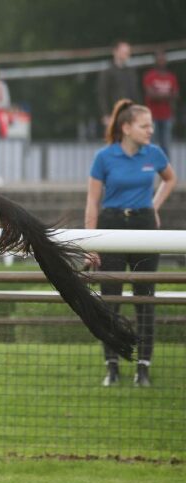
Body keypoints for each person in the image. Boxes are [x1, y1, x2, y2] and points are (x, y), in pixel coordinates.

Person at [84, 99, 177, 387]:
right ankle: (112, 365)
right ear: (126, 128)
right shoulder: (104, 157)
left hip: (144, 226)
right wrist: (91, 241)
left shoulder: (155, 153)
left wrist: (154, 206)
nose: (151, 130)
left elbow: (170, 179)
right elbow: (92, 201)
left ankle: (144, 367)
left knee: (145, 299)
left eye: (151, 125)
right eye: (144, 125)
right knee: (110, 300)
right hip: (111, 226)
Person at [143, 49, 179, 157]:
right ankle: (150, 169)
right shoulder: (150, 76)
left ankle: (166, 171)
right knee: (151, 144)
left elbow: (176, 95)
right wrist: (167, 95)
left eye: (163, 59)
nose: (161, 61)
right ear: (155, 61)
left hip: (167, 115)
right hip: (152, 116)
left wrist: (159, 95)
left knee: (166, 145)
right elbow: (151, 95)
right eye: (159, 59)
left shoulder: (171, 77)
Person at [97, 40, 141, 128]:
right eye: (124, 51)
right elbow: (102, 94)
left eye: (128, 52)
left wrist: (138, 111)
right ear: (115, 52)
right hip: (114, 114)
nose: (127, 54)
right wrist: (105, 114)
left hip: (130, 114)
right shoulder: (108, 72)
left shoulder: (131, 72)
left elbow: (136, 93)